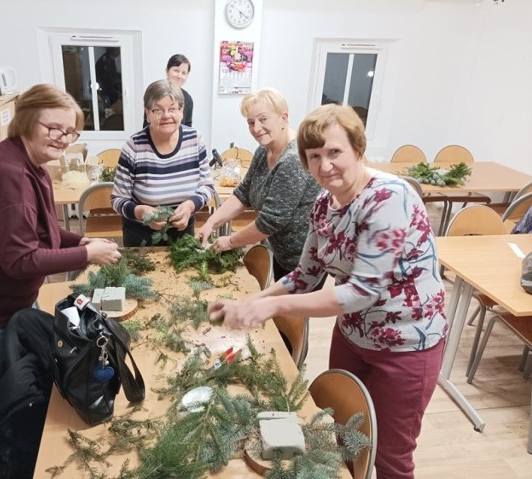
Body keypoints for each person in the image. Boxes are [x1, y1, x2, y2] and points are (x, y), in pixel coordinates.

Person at [208, 104, 447, 479]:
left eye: (334, 152)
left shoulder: (389, 198)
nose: (324, 165)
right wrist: (249, 301)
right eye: (314, 156)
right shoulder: (324, 204)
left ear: (357, 147)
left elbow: (361, 292)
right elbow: (305, 275)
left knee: (390, 458)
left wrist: (272, 308)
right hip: (353, 337)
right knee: (341, 441)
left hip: (405, 347)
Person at [0, 84, 121, 400]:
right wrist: (86, 253)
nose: (63, 137)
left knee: (28, 371)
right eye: (53, 127)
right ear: (27, 120)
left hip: (6, 300)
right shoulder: (9, 175)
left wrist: (81, 239)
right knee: (9, 386)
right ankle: (6, 446)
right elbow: (19, 260)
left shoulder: (34, 167)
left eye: (71, 131)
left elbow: (45, 234)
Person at [196, 87, 321, 281]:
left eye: (263, 119)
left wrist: (230, 241)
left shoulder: (293, 159)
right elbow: (243, 193)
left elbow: (270, 222)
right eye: (251, 122)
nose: (256, 128)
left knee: (291, 311)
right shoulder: (264, 151)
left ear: (283, 117)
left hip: (303, 259)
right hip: (282, 253)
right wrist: (211, 223)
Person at [112, 79, 214, 247]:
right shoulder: (134, 147)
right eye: (158, 110)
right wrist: (140, 212)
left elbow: (207, 187)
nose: (167, 116)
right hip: (141, 236)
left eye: (173, 109)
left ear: (182, 111)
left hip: (183, 233)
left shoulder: (195, 140)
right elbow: (118, 199)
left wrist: (190, 206)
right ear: (147, 113)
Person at [143, 54, 194, 127]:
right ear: (167, 71)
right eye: (176, 71)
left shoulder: (188, 99)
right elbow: (147, 124)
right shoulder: (154, 92)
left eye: (183, 73)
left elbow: (188, 127)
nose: (179, 76)